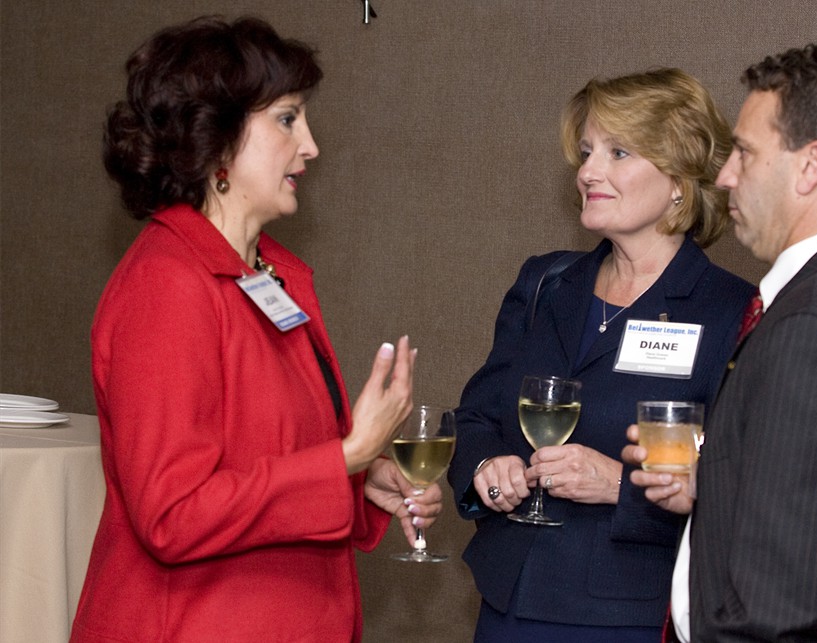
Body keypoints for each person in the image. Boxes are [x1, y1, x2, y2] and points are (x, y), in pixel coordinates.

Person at [71, 16, 441, 642]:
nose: (312, 146)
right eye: (287, 119)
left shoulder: (271, 273)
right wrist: (344, 458)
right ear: (214, 136)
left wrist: (359, 480)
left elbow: (269, 459)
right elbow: (174, 514)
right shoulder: (168, 285)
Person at [625, 40, 817, 642]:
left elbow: (777, 615)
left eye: (745, 152)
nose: (724, 176)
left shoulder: (810, 333)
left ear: (811, 164)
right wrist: (717, 484)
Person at [448, 68, 755, 641]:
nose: (588, 171)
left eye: (618, 152)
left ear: (679, 179)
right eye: (587, 152)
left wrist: (620, 482)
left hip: (628, 614)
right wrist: (488, 469)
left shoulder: (730, 312)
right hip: (509, 603)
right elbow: (477, 418)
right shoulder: (544, 283)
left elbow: (743, 490)